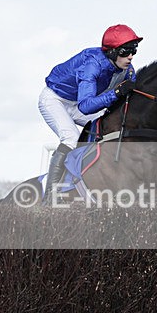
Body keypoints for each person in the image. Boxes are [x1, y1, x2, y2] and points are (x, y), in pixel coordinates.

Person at [38, 24, 142, 204]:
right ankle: (49, 198)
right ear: (111, 52)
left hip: (78, 102)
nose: (130, 56)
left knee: (108, 128)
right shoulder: (92, 64)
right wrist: (116, 93)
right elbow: (85, 106)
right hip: (55, 100)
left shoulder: (128, 70)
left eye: (134, 50)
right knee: (71, 137)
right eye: (126, 51)